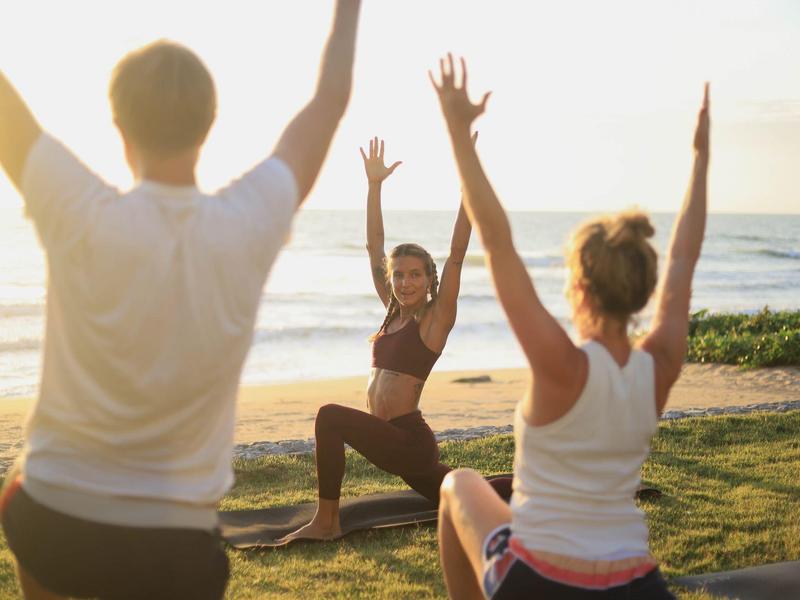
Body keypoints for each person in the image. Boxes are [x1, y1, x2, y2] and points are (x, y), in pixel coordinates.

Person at [0, 2, 361, 598]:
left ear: (118, 128)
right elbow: (328, 102)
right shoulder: (248, 221)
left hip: (54, 520)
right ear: (210, 123)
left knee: (27, 494)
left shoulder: (78, 209)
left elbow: (9, 111)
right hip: (175, 549)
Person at [430, 54, 709, 599]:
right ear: (642, 290)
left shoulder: (561, 365)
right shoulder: (660, 367)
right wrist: (701, 159)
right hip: (638, 586)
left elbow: (496, 238)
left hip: (542, 583)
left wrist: (459, 135)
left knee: (458, 484)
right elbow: (683, 260)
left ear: (578, 288)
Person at [280, 135, 511, 543]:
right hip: (393, 442)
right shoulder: (391, 312)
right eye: (399, 274)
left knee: (329, 417)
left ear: (429, 281)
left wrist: (468, 192)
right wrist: (374, 187)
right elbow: (374, 250)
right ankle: (544, 484)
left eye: (414, 275)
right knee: (468, 496)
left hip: (408, 441)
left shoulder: (434, 322)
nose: (404, 282)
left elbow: (458, 252)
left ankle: (327, 522)